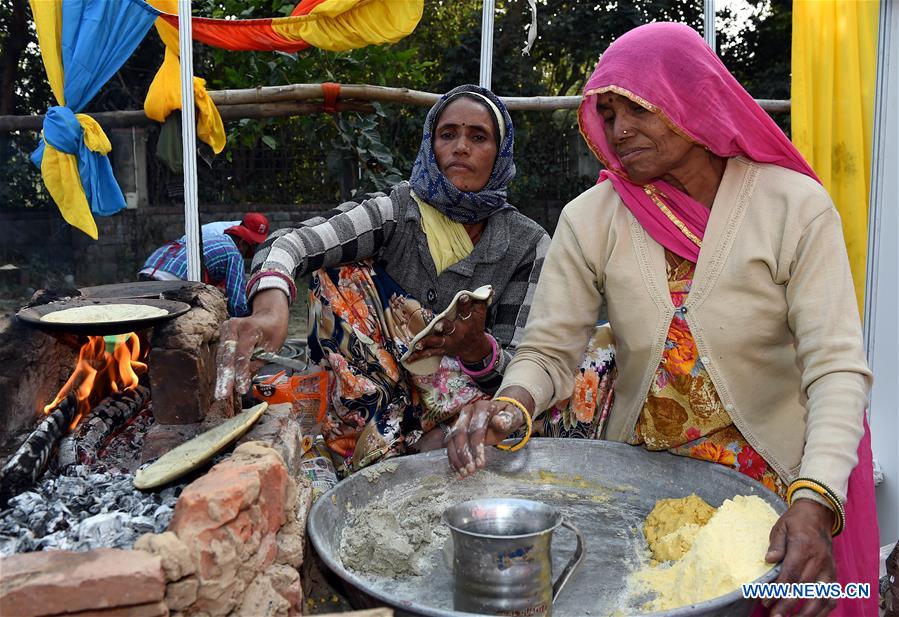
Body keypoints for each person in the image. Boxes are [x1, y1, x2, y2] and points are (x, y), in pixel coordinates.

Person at [446, 23, 878, 617]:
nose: (620, 131)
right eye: (609, 113)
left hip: (782, 490)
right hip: (647, 496)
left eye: (638, 110)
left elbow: (835, 368)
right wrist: (514, 402)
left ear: (691, 101)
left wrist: (815, 501)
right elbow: (549, 349)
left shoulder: (793, 208)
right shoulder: (592, 219)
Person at [215, 85, 550, 474]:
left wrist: (477, 348)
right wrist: (270, 309)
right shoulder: (398, 210)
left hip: (468, 401)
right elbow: (294, 242)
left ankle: (422, 441)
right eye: (448, 134)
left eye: (478, 137)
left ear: (501, 153)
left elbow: (522, 365)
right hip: (381, 397)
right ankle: (396, 440)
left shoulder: (527, 243)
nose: (461, 147)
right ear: (431, 144)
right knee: (338, 273)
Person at [139, 213, 270, 317]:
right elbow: (237, 306)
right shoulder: (234, 254)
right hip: (173, 280)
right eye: (252, 247)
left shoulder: (210, 235)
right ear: (242, 243)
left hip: (149, 269)